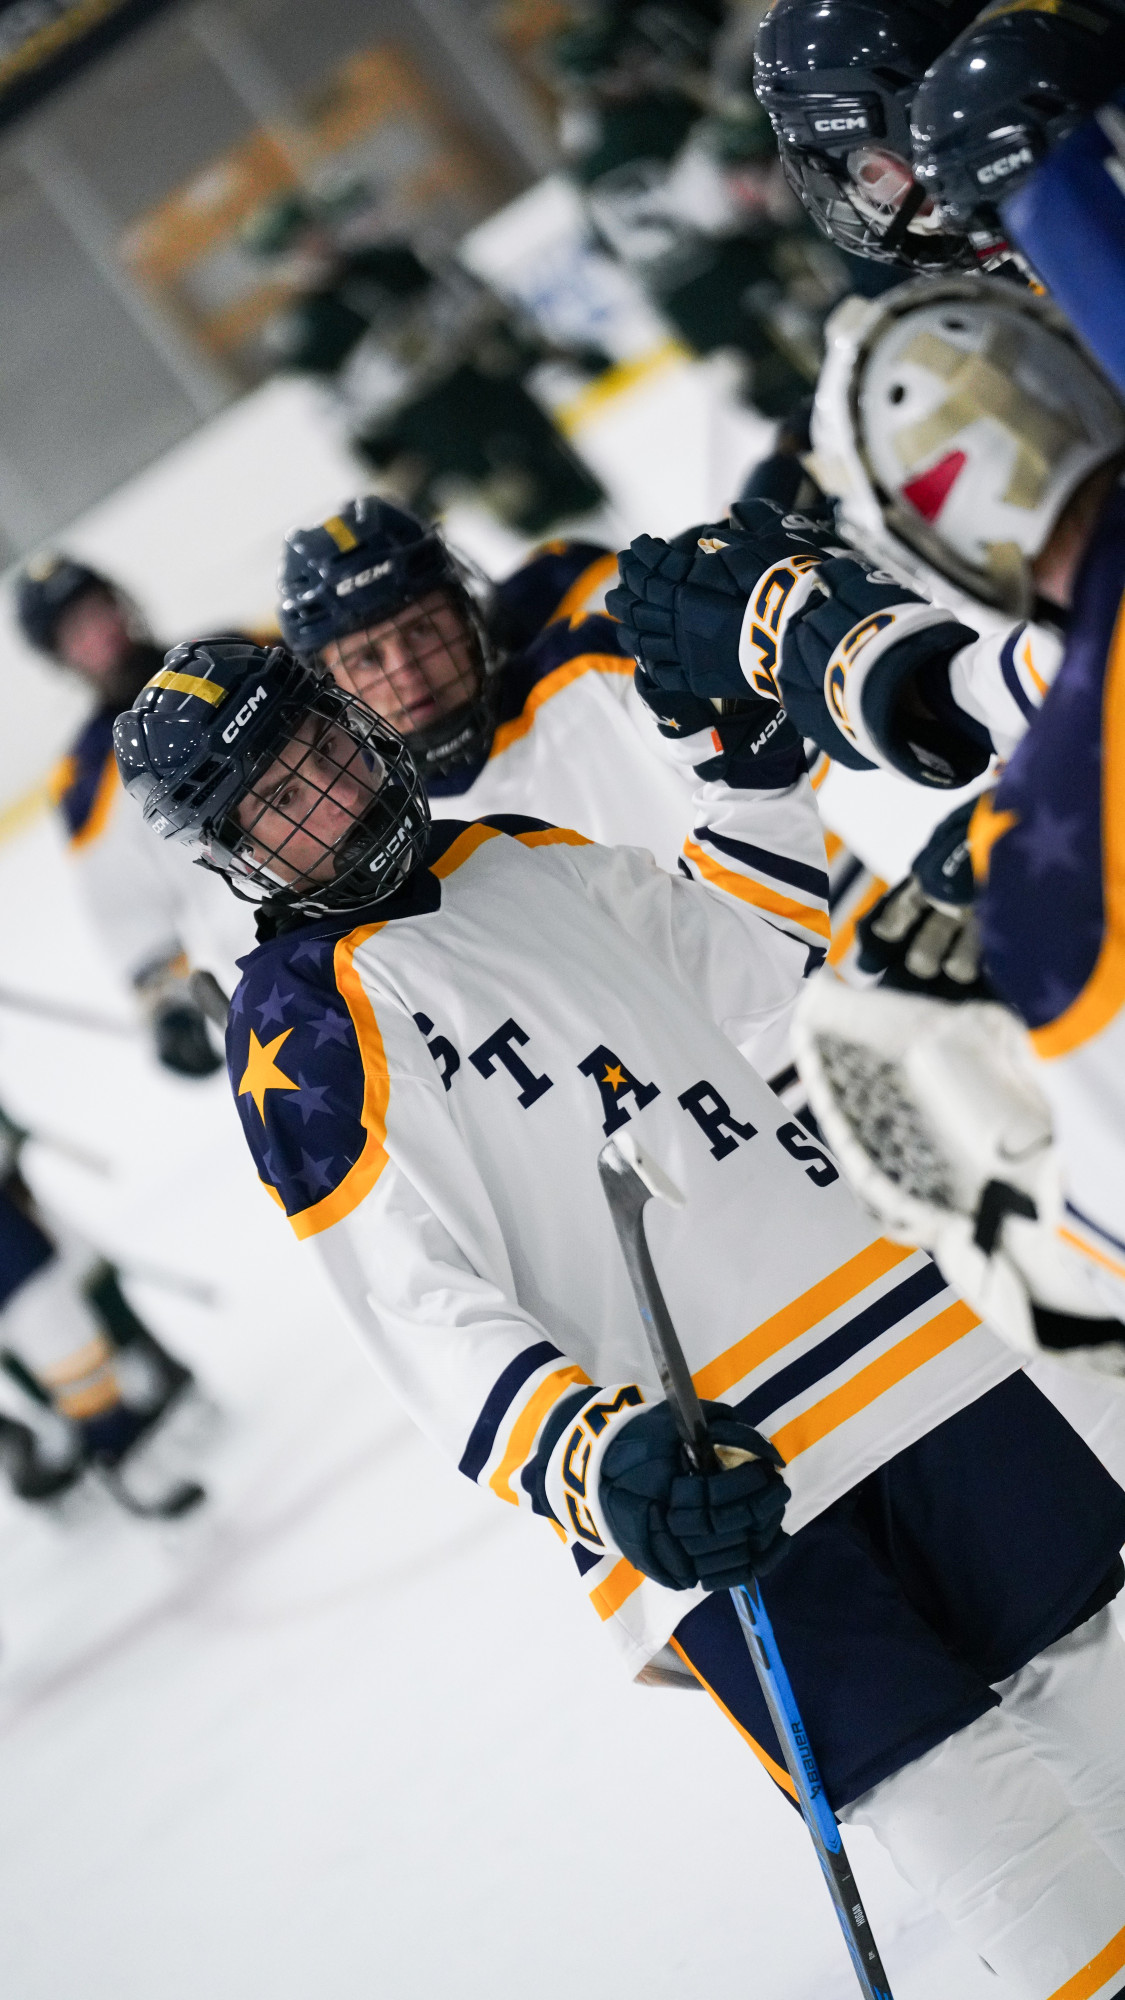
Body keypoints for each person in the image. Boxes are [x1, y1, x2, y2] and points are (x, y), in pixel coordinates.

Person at [110, 637, 1125, 1993]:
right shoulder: (301, 1024)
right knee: (989, 1836)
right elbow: (416, 1302)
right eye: (281, 797)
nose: (333, 793)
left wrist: (753, 782)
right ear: (239, 851)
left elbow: (762, 970)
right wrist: (595, 1459)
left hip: (921, 1365)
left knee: (1107, 1714)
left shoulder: (522, 853)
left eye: (322, 748)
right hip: (707, 1480)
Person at [276, 498, 832, 990]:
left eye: (422, 630)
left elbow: (784, 784)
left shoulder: (593, 665)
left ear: (466, 616)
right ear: (330, 686)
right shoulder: (382, 851)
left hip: (825, 962)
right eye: (367, 658)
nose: (406, 673)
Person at [13, 556, 255, 1069]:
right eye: (75, 630)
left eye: (97, 609)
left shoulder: (237, 652)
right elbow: (126, 908)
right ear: (58, 655)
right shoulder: (84, 779)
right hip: (262, 953)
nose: (98, 632)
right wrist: (167, 1002)